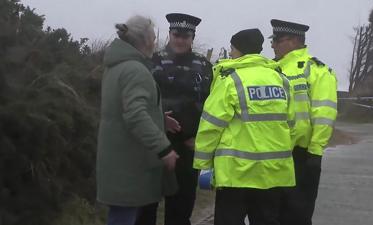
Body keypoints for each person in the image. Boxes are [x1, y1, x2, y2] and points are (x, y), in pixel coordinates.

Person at [193, 28, 296, 225]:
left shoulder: (231, 81)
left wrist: (203, 165)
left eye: (232, 48)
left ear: (240, 50)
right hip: (273, 174)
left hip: (236, 175)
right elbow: (291, 125)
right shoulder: (281, 80)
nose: (230, 53)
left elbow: (211, 126)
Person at [96, 15, 179, 225]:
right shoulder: (135, 70)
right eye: (153, 36)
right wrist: (164, 148)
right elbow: (134, 114)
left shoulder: (116, 66)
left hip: (117, 161)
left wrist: (159, 119)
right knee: (123, 219)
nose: (155, 41)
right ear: (144, 40)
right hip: (130, 167)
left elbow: (121, 107)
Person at [135, 13, 212, 225]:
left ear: (192, 38)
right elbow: (142, 100)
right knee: (146, 205)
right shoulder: (152, 60)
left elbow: (210, 105)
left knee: (181, 207)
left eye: (185, 36)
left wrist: (199, 137)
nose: (180, 40)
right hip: (156, 144)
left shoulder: (204, 66)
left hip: (187, 147)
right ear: (169, 34)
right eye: (176, 35)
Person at [269, 19, 338, 225]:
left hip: (301, 156)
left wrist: (315, 152)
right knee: (268, 215)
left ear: (294, 40)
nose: (272, 45)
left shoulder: (316, 70)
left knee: (297, 215)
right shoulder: (269, 70)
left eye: (277, 40)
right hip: (270, 155)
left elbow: (324, 114)